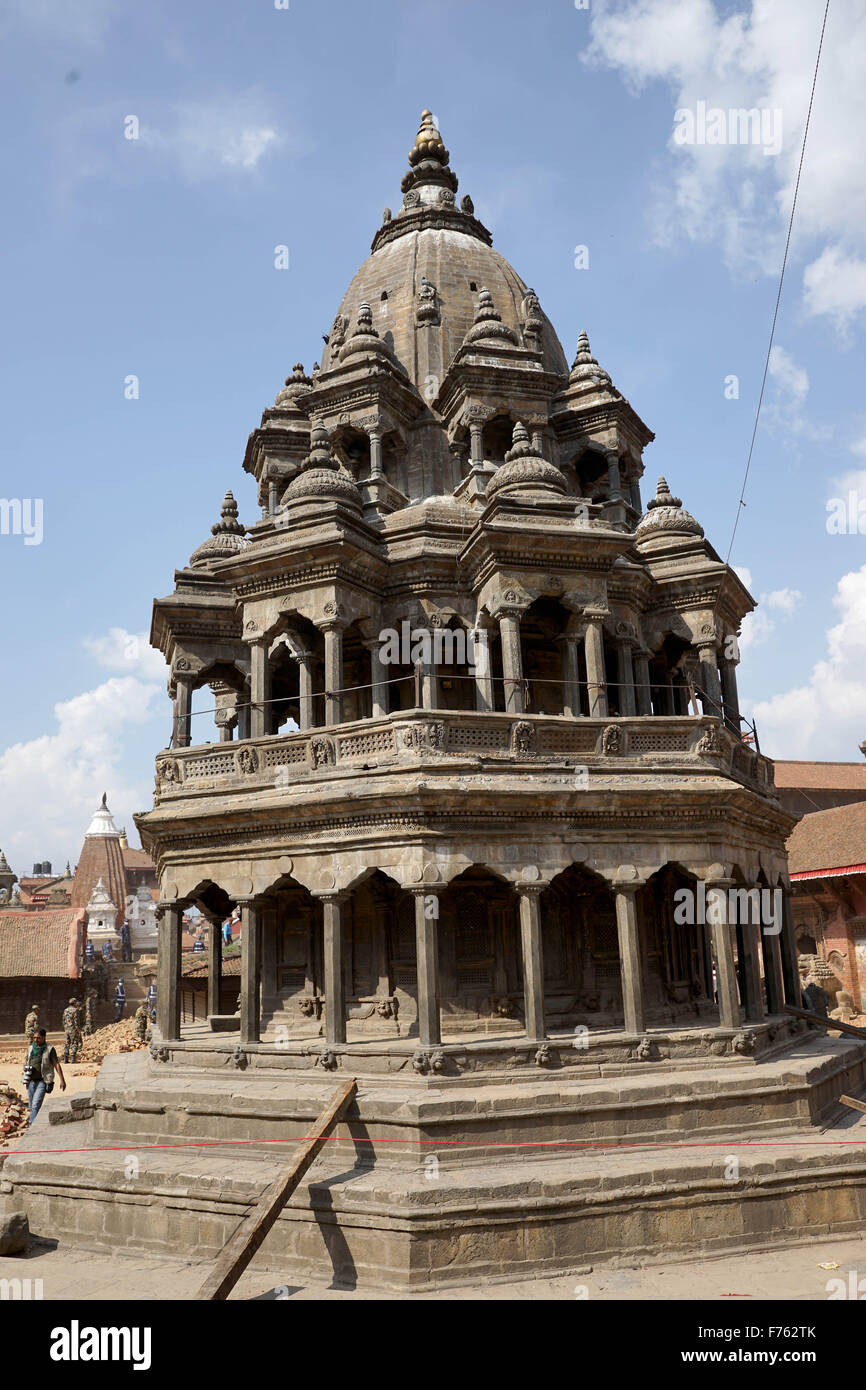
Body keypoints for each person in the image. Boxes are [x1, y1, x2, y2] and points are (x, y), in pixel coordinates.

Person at [24, 1027, 65, 1124]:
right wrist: (25, 1067)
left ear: (44, 1038)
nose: (35, 1040)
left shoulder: (49, 1049)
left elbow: (56, 1064)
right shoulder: (30, 1048)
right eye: (34, 1038)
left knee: (35, 1104)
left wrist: (62, 1080)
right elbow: (26, 1060)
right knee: (31, 1105)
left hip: (42, 1081)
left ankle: (31, 1125)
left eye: (38, 1038)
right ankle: (36, 1123)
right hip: (30, 1081)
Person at [61, 997, 82, 1063]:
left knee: (67, 1043)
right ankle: (73, 1059)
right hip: (73, 1029)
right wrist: (78, 1029)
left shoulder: (65, 1010)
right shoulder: (75, 1010)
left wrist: (65, 1027)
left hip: (67, 1029)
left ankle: (65, 1059)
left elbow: (63, 1020)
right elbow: (76, 1021)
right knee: (74, 1043)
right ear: (75, 1003)